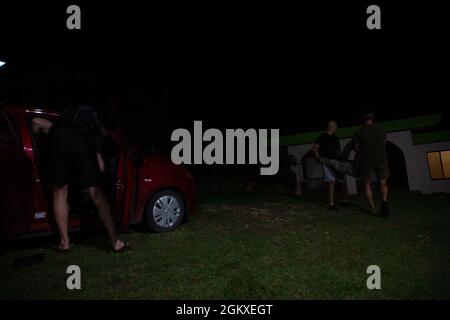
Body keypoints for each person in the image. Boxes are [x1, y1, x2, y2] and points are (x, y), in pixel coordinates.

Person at [32, 105, 129, 252]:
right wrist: (98, 159)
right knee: (98, 195)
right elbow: (98, 146)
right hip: (82, 144)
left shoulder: (57, 125)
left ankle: (64, 243)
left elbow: (36, 121)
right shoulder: (89, 123)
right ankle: (115, 242)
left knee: (60, 192)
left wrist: (38, 138)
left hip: (59, 143)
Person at [353, 112, 390, 217]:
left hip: (367, 161)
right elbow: (384, 144)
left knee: (367, 184)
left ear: (362, 119)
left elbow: (356, 148)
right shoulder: (381, 128)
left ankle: (373, 208)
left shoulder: (359, 131)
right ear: (372, 117)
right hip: (381, 159)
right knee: (383, 183)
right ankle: (384, 204)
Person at [312, 120, 349, 210]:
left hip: (336, 162)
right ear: (331, 127)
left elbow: (338, 151)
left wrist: (342, 159)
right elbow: (314, 147)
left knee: (342, 180)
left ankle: (345, 200)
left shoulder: (335, 138)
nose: (336, 129)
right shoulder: (323, 136)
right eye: (335, 127)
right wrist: (318, 158)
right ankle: (331, 204)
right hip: (327, 161)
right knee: (331, 181)